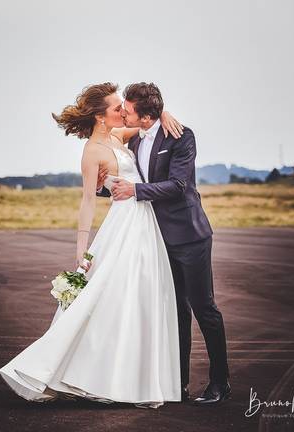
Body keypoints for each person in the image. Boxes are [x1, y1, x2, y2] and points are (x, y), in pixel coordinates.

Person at [0, 82, 184, 408]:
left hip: (145, 223)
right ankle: (82, 372)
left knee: (139, 296)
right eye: (117, 108)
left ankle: (133, 378)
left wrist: (164, 112)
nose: (123, 111)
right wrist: (81, 251)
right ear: (100, 116)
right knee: (111, 295)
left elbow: (148, 123)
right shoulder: (92, 152)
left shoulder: (119, 136)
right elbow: (87, 200)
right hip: (123, 224)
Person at [102, 82, 230, 405]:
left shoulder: (182, 137)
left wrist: (135, 191)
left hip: (190, 237)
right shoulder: (135, 139)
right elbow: (131, 175)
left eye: (128, 110)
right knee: (175, 312)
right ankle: (178, 384)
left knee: (204, 308)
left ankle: (220, 382)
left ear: (145, 116)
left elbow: (177, 185)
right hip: (157, 239)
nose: (123, 113)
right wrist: (103, 186)